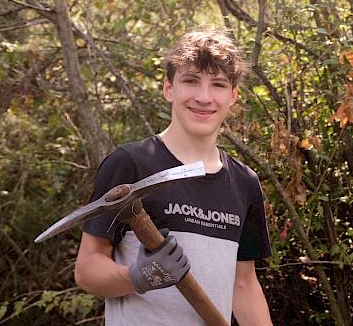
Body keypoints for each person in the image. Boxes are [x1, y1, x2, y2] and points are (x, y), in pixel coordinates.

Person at [74, 29, 273, 325]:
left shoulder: (244, 183)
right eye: (191, 81)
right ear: (169, 88)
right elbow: (87, 270)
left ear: (233, 96)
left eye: (218, 84)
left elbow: (243, 284)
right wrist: (138, 276)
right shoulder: (131, 164)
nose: (204, 97)